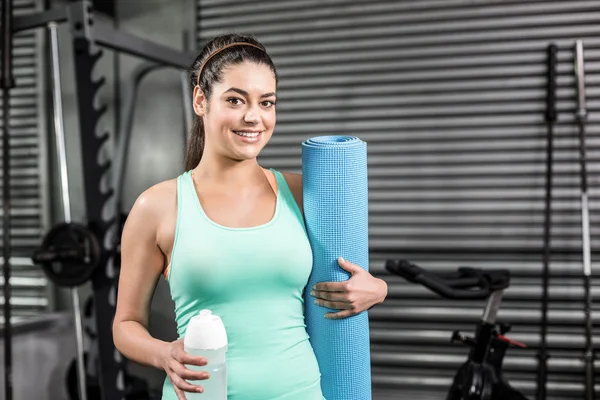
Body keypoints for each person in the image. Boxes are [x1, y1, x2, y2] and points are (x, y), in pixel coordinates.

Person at [112, 34, 388, 400]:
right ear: (200, 100)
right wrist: (164, 354)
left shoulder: (308, 194)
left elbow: (354, 276)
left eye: (266, 102)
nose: (253, 117)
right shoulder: (158, 207)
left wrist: (379, 289)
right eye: (235, 100)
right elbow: (125, 324)